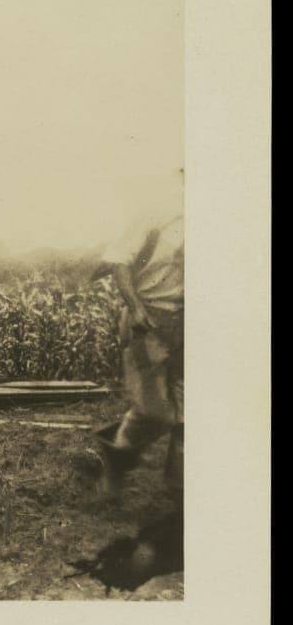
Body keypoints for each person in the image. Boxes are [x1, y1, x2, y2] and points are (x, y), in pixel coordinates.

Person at [96, 206, 184, 501]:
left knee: (191, 413)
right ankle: (116, 456)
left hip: (192, 323)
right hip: (149, 319)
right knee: (156, 413)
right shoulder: (159, 213)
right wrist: (135, 309)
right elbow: (119, 261)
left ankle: (181, 493)